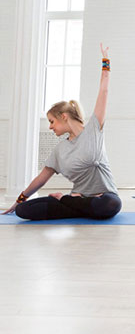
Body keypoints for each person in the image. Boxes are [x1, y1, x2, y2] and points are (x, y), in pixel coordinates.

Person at [2, 45, 122, 221]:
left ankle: (65, 201)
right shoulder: (60, 150)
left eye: (52, 121)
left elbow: (104, 90)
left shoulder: (94, 128)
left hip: (103, 196)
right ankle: (75, 204)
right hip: (79, 199)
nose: (50, 127)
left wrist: (105, 61)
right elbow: (41, 179)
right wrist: (20, 199)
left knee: (111, 205)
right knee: (23, 211)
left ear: (64, 117)